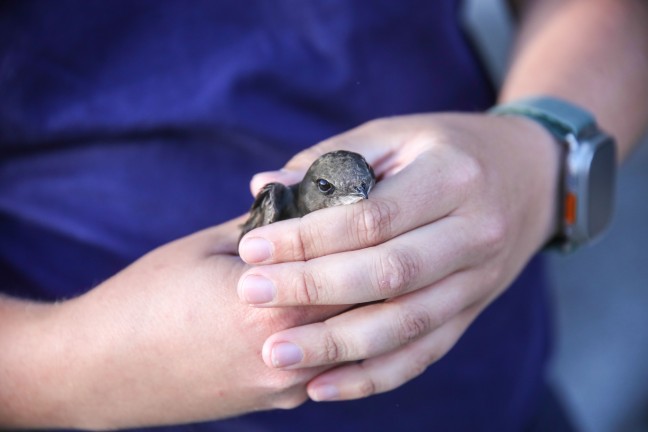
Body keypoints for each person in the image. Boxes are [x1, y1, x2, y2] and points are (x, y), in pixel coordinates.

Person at [1, 0, 647, 430]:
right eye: (342, 195)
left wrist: (537, 158)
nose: (358, 212)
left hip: (490, 397)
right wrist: (80, 366)